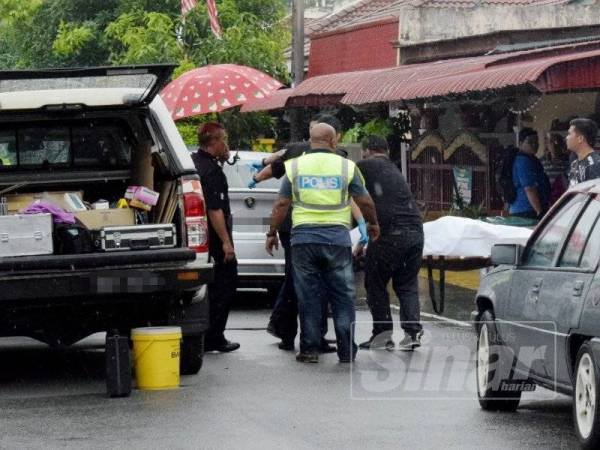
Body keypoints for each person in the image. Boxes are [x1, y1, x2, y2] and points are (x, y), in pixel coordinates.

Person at [265, 123, 379, 363]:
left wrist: (272, 232)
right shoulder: (347, 167)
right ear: (333, 141)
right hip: (337, 240)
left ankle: (309, 350)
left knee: (308, 297)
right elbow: (365, 201)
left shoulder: (294, 166)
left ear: (310, 140)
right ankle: (346, 351)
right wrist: (372, 223)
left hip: (303, 240)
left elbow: (281, 204)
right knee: (342, 296)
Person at [353, 136, 424, 351]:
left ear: (366, 151)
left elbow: (357, 199)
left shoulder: (365, 166)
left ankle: (382, 334)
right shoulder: (393, 170)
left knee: (375, 283)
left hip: (390, 233)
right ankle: (412, 333)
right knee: (406, 283)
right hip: (415, 232)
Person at [191, 122, 240, 353]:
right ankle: (215, 336)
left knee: (210, 288)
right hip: (214, 238)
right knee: (224, 285)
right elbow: (215, 209)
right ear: (216, 142)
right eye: (224, 140)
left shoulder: (195, 163)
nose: (227, 145)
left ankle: (205, 334)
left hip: (200, 239)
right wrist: (226, 242)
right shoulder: (211, 171)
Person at [508, 128, 550, 220]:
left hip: (523, 209)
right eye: (530, 142)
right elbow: (529, 188)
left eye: (536, 141)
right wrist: (539, 211)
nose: (534, 145)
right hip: (526, 210)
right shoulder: (523, 161)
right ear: (520, 144)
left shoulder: (530, 159)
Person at [566, 118, 600, 186]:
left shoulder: (595, 164)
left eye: (569, 134)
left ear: (580, 139)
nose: (566, 137)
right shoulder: (574, 163)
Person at [541, 132, 569, 204]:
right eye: (551, 142)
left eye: (557, 142)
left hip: (564, 197)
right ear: (547, 144)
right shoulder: (542, 161)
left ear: (562, 144)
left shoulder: (568, 161)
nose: (554, 145)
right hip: (547, 198)